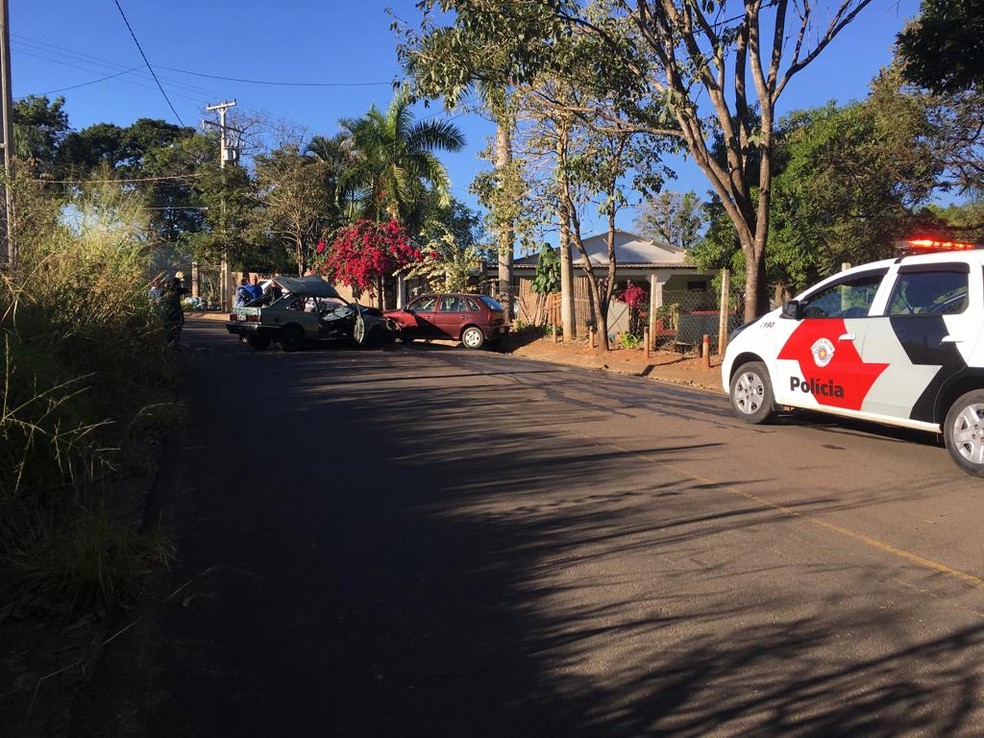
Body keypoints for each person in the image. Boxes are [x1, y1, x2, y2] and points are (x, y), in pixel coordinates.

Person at [161, 276, 189, 346]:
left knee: (168, 327)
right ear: (178, 284)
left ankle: (168, 342)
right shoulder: (177, 289)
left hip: (167, 311)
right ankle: (175, 342)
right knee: (177, 327)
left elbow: (161, 295)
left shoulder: (165, 290)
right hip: (176, 311)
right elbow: (186, 290)